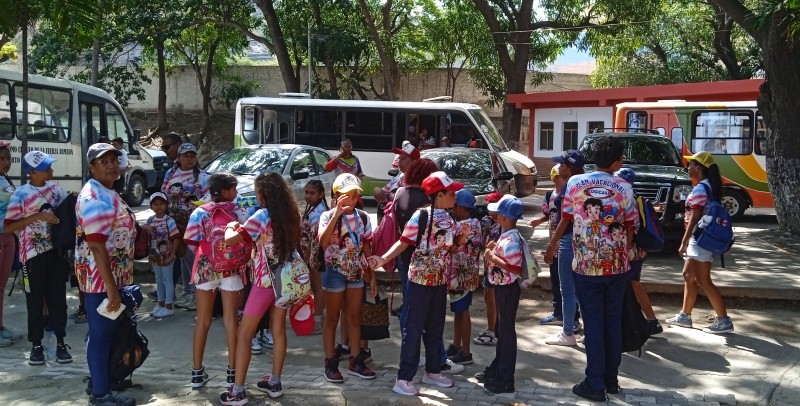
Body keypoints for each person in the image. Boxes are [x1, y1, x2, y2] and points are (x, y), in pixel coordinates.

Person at [544, 136, 637, 402]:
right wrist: (624, 254)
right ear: (617, 162)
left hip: (586, 267)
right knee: (612, 322)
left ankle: (595, 383)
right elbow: (631, 226)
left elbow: (566, 219)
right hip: (617, 267)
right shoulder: (624, 187)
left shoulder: (575, 183)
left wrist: (551, 246)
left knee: (594, 324)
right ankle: (611, 380)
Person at [370, 171, 470, 396]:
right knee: (413, 330)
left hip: (440, 282)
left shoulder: (449, 218)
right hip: (419, 282)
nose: (455, 195)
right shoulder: (421, 216)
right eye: (451, 192)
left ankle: (433, 371)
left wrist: (462, 237)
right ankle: (403, 378)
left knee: (435, 328)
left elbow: (452, 247)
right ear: (439, 194)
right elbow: (403, 242)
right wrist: (383, 259)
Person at [219, 172, 301, 404]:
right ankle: (275, 382)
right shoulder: (291, 215)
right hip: (285, 281)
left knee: (244, 333)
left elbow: (232, 239)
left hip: (264, 282)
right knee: (278, 330)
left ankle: (237, 391)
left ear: (264, 194)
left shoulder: (261, 216)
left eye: (256, 193)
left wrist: (231, 226)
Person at [75, 143, 137, 406]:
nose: (111, 164)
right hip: (100, 280)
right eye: (104, 161)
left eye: (114, 159)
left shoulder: (108, 191)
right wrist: (112, 290)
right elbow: (97, 246)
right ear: (91, 168)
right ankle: (100, 394)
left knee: (107, 333)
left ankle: (103, 381)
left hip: (111, 276)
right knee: (100, 336)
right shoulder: (94, 198)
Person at [4, 151, 71, 365]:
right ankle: (36, 345)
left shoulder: (57, 190)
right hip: (31, 257)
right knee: (34, 301)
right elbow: (9, 227)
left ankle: (61, 343)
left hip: (57, 254)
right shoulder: (21, 194)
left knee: (58, 300)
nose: (50, 170)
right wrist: (37, 216)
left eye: (49, 165)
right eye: (45, 167)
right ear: (31, 171)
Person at [183, 173, 248, 390]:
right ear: (225, 191)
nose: (236, 193)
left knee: (202, 320)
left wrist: (207, 255)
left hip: (205, 268)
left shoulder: (200, 212)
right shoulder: (238, 211)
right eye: (233, 189)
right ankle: (232, 372)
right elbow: (248, 236)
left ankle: (196, 373)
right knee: (231, 320)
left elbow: (190, 240)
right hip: (231, 269)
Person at [667, 151, 733, 334]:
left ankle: (724, 320)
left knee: (704, 281)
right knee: (688, 275)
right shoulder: (709, 187)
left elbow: (695, 217)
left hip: (699, 239)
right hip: (700, 238)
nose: (688, 167)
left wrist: (684, 241)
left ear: (699, 167)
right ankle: (685, 315)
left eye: (691, 164)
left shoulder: (700, 189)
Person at [319, 173, 376, 383]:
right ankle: (330, 362)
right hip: (334, 272)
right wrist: (336, 214)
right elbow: (323, 242)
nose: (351, 199)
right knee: (332, 318)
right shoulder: (327, 216)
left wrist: (372, 275)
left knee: (354, 317)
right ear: (336, 196)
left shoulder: (363, 217)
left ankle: (355, 360)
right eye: (346, 195)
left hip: (355, 272)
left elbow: (367, 245)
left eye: (354, 195)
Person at [481, 195, 526, 394]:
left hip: (508, 288)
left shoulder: (512, 239)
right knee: (503, 331)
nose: (496, 215)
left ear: (504, 217)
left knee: (507, 333)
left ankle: (506, 377)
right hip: (503, 287)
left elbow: (514, 268)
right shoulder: (507, 235)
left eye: (498, 213)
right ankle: (498, 369)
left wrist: (492, 257)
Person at [161, 143, 210, 312]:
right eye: (186, 156)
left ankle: (197, 293)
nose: (189, 159)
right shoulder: (171, 173)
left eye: (192, 156)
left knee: (191, 256)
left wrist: (197, 206)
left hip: (193, 223)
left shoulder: (202, 176)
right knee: (182, 256)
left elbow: (208, 198)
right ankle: (187, 292)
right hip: (174, 222)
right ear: (179, 157)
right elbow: (163, 193)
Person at [544, 150, 586, 346]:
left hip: (569, 241)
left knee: (567, 289)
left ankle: (568, 332)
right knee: (583, 289)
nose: (558, 167)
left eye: (561, 164)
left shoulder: (571, 185)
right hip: (585, 241)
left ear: (570, 168)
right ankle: (589, 330)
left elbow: (565, 218)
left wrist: (552, 244)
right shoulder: (586, 183)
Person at [615, 168, 663, 335]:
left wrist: (626, 247)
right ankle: (646, 321)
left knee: (631, 284)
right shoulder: (632, 197)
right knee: (632, 284)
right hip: (636, 250)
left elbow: (632, 227)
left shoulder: (628, 199)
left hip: (631, 250)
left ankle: (649, 321)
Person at [445, 190, 483, 366]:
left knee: (463, 311)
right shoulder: (477, 223)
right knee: (458, 310)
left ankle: (466, 351)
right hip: (469, 273)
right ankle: (456, 344)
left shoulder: (461, 227)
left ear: (460, 207)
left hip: (459, 276)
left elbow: (453, 247)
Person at [530, 165, 570, 327]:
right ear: (554, 178)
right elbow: (549, 214)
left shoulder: (569, 196)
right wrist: (539, 221)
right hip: (554, 244)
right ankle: (558, 312)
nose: (564, 180)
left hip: (564, 244)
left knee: (566, 282)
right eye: (561, 177)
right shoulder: (549, 196)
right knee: (556, 280)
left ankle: (569, 316)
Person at [472, 192, 503, 347]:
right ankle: (494, 327)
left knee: (491, 299)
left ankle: (492, 332)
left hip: (495, 269)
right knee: (488, 298)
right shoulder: (490, 223)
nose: (488, 211)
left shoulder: (501, 226)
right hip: (489, 266)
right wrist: (485, 230)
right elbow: (483, 244)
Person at [0, 142, 22, 347]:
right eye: (1, 159)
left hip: (8, 237)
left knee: (1, 286)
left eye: (8, 158)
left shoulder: (6, 180)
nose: (6, 162)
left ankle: (1, 326)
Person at [144, 192, 179, 318]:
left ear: (166, 205)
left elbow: (176, 238)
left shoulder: (169, 221)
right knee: (159, 280)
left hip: (167, 255)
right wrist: (145, 227)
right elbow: (144, 231)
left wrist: (172, 255)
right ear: (151, 206)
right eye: (155, 204)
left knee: (167, 280)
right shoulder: (150, 220)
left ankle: (169, 307)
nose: (158, 207)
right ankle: (161, 304)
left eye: (161, 204)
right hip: (155, 256)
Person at [300, 180, 329, 334]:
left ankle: (318, 321)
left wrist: (306, 258)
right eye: (306, 192)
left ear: (321, 194)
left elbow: (315, 240)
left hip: (317, 256)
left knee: (318, 288)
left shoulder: (319, 213)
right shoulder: (312, 208)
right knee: (315, 287)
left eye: (312, 193)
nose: (308, 196)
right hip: (312, 255)